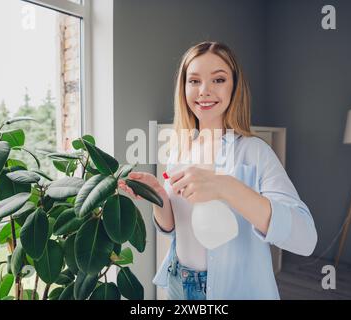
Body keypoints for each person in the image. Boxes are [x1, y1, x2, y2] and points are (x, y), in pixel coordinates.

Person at [118, 41, 318, 300]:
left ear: (234, 86)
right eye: (194, 81)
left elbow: (305, 239)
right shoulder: (179, 149)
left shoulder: (255, 152)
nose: (204, 91)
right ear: (184, 88)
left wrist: (225, 186)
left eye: (218, 79)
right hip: (179, 283)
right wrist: (158, 195)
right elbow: (173, 228)